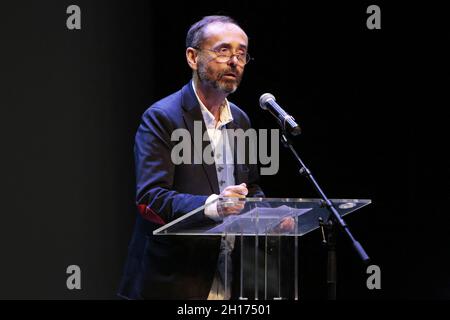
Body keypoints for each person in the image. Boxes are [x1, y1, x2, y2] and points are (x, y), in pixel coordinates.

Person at [117, 15, 264, 300]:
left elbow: (251, 186)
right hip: (173, 281)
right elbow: (151, 197)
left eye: (242, 53)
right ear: (192, 57)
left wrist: (269, 213)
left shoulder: (241, 120)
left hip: (228, 277)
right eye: (223, 50)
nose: (234, 61)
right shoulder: (163, 117)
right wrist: (215, 206)